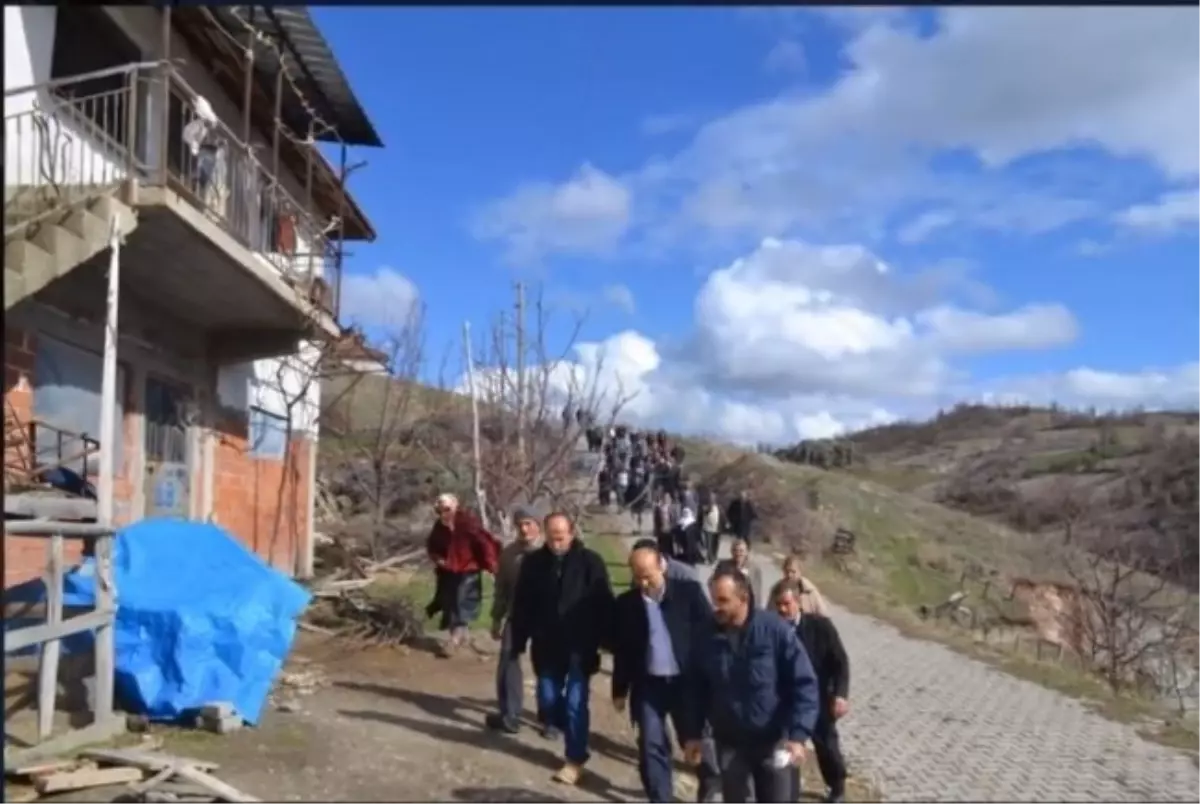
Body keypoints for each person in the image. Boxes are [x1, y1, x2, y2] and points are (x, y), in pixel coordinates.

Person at [682, 567, 820, 804]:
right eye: (713, 599)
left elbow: (804, 684)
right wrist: (693, 734)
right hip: (730, 743)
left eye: (723, 600)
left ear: (743, 598)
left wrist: (798, 736)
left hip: (773, 743)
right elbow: (694, 688)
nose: (716, 607)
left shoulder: (775, 631)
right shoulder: (704, 636)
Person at [510, 512, 615, 785]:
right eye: (552, 536)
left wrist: (608, 639)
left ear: (571, 533)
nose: (557, 542)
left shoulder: (590, 562)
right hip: (546, 644)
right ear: (545, 534)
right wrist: (519, 640)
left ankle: (574, 758)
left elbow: (604, 602)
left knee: (575, 703)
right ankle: (567, 730)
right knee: (547, 698)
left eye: (561, 536)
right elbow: (522, 604)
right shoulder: (534, 564)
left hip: (580, 645)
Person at [611, 542, 719, 803]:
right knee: (651, 744)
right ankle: (661, 797)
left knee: (695, 740)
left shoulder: (688, 594)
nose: (644, 582)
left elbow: (710, 636)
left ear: (661, 566)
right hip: (649, 685)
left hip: (686, 683)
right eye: (637, 576)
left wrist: (712, 678)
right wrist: (619, 689)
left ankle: (711, 787)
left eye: (648, 575)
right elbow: (623, 651)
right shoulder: (627, 605)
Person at [770, 579, 850, 804]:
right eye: (778, 605)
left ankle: (837, 786)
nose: (782, 609)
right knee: (785, 746)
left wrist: (840, 694)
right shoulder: (773, 629)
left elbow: (840, 661)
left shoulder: (820, 627)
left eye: (786, 604)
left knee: (826, 745)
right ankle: (787, 788)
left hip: (820, 698)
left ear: (798, 602)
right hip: (786, 700)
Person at [485, 505, 544, 734]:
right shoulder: (509, 554)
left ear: (538, 525)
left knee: (547, 666)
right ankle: (510, 714)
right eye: (520, 525)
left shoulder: (550, 552)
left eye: (529, 524)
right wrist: (496, 618)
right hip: (516, 614)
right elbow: (502, 589)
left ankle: (550, 719)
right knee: (508, 660)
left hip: (545, 617)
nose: (524, 529)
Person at [425, 493, 501, 656]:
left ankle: (455, 639)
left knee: (461, 601)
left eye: (446, 509)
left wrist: (492, 567)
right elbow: (432, 547)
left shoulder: (467, 523)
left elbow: (485, 544)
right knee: (448, 601)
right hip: (448, 570)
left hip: (468, 568)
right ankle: (461, 636)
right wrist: (438, 560)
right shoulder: (439, 527)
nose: (443, 513)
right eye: (440, 510)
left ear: (455, 506)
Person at [714, 538, 764, 608]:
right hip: (726, 605)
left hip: (744, 607)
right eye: (735, 550)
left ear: (747, 552)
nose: (738, 553)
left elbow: (756, 594)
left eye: (741, 551)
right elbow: (713, 583)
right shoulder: (723, 566)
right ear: (731, 551)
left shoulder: (754, 569)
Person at [699, 494, 724, 565]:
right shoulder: (706, 507)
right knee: (709, 545)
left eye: (713, 498)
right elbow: (702, 515)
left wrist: (726, 523)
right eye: (711, 498)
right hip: (708, 529)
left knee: (715, 544)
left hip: (717, 529)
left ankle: (714, 556)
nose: (712, 500)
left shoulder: (719, 507)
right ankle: (710, 559)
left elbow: (723, 516)